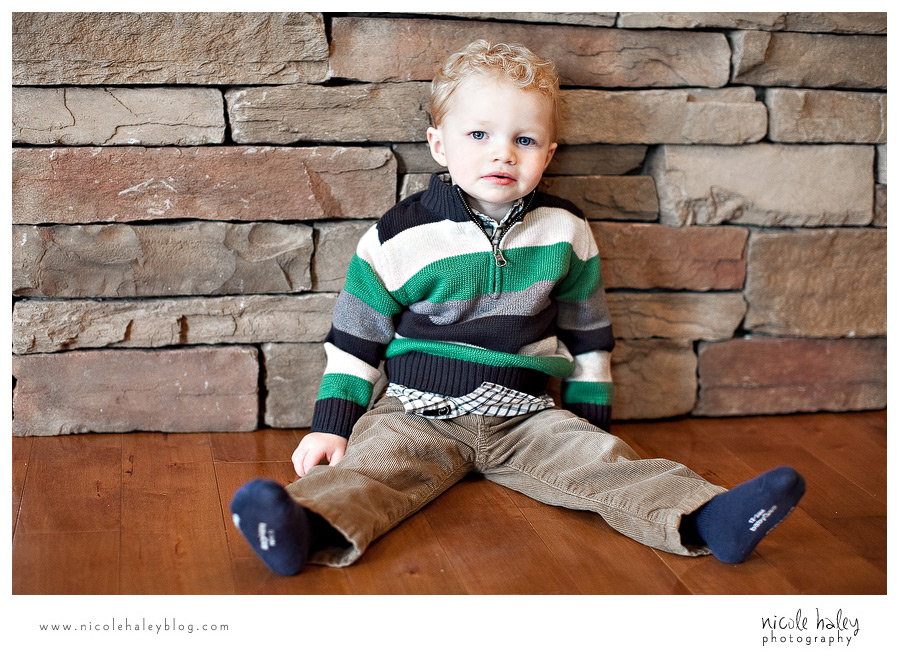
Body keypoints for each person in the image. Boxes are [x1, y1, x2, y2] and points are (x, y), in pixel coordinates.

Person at [230, 40, 805, 577]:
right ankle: (300, 528)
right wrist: (331, 425)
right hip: (416, 411)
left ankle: (709, 518)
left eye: (524, 140)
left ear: (548, 154)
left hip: (526, 414)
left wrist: (589, 420)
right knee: (370, 471)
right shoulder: (399, 235)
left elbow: (588, 331)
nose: (502, 152)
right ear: (439, 145)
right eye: (478, 134)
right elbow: (355, 339)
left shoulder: (565, 230)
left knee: (605, 463)